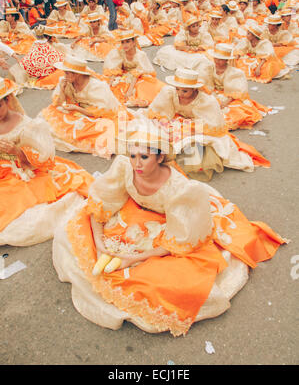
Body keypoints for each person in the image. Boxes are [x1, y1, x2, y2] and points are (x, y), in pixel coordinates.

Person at [52, 120, 285, 336]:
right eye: (133, 155)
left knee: (172, 284)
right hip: (135, 212)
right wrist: (101, 245)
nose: (137, 163)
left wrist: (132, 258)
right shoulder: (125, 167)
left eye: (144, 156)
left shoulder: (179, 190)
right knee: (70, 234)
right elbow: (100, 206)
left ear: (160, 157)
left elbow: (179, 240)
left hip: (171, 221)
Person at [0, 77, 93, 247]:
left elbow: (42, 158)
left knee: (17, 212)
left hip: (25, 170)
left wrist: (16, 152)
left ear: (8, 100)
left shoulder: (26, 125)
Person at [40, 55, 132, 158]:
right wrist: (62, 89)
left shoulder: (97, 86)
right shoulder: (65, 81)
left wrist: (77, 109)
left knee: (104, 130)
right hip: (78, 112)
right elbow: (57, 104)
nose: (64, 75)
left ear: (77, 74)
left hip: (102, 115)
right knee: (50, 114)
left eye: (67, 73)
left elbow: (102, 112)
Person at [102, 30, 165, 107]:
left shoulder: (140, 55)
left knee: (146, 87)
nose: (125, 45)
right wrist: (108, 85)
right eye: (123, 42)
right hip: (125, 75)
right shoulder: (120, 53)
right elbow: (115, 70)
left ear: (133, 42)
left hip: (139, 76)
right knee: (112, 85)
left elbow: (137, 74)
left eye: (127, 42)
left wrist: (130, 90)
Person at [8, 24, 65, 89]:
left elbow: (28, 59)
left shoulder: (57, 46)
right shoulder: (42, 46)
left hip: (42, 72)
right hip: (46, 70)